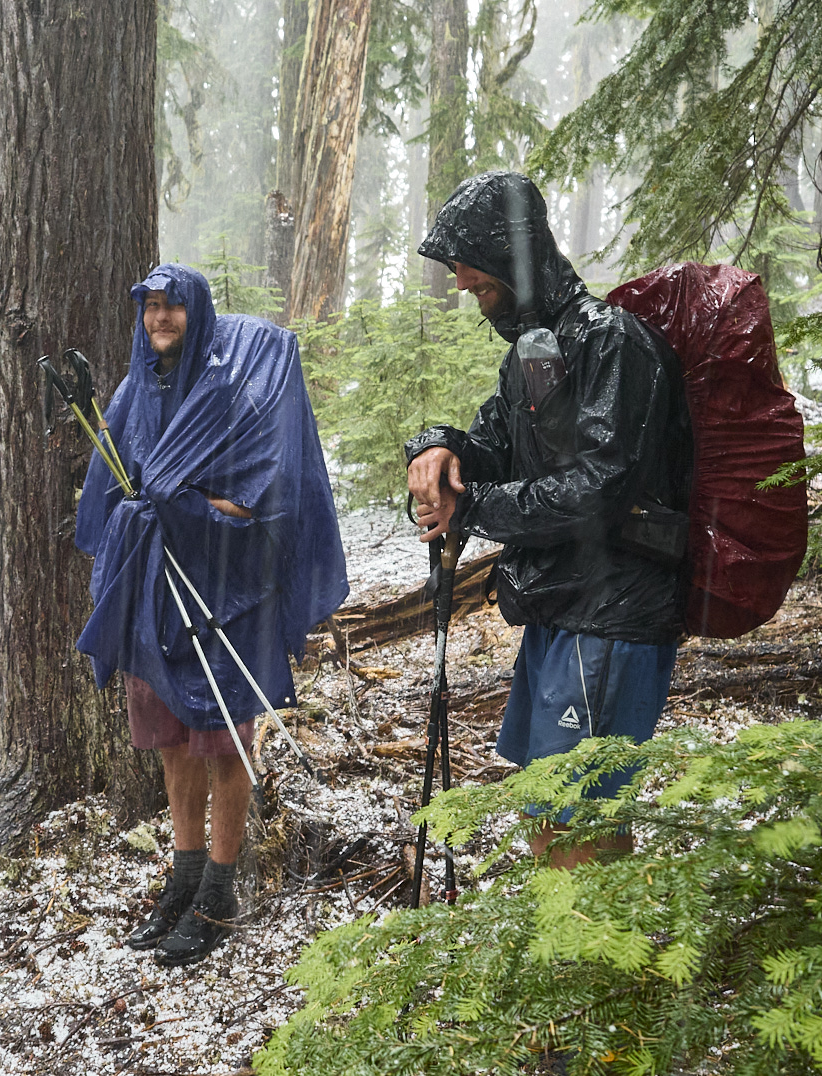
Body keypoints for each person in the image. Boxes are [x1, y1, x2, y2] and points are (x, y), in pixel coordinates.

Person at [405, 171, 691, 867]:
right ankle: (575, 963)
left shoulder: (611, 343)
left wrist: (474, 505)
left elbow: (597, 490)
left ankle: (590, 969)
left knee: (576, 818)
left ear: (513, 260)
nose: (477, 303)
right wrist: (439, 448)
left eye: (481, 286)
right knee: (552, 805)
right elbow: (494, 453)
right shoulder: (532, 352)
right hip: (563, 606)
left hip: (614, 612)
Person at [74, 263, 347, 965]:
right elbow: (112, 487)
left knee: (225, 738)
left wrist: (194, 507)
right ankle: (186, 874)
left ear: (198, 312)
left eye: (173, 307)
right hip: (157, 595)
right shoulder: (136, 392)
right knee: (171, 740)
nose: (160, 319)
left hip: (227, 592)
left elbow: (262, 487)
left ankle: (221, 889)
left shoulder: (233, 388)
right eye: (150, 308)